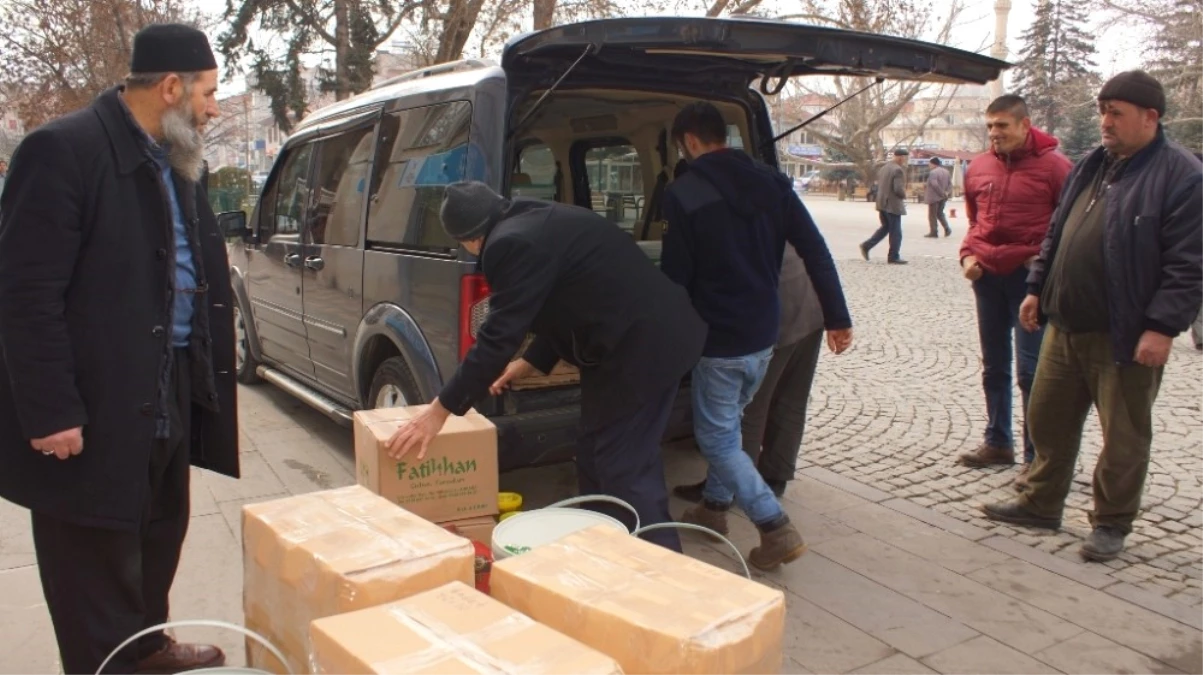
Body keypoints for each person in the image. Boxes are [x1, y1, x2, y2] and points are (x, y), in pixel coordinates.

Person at [0, 24, 238, 674]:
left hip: (165, 396)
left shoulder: (175, 159)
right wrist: (50, 410)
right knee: (93, 567)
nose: (215, 107)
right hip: (92, 408)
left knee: (155, 542)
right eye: (210, 93)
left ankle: (147, 646)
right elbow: (24, 296)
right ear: (170, 87)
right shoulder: (63, 151)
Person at [386, 181, 706, 554]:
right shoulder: (537, 218)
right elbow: (565, 299)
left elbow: (497, 338)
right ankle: (606, 548)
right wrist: (529, 362)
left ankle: (666, 570)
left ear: (469, 239)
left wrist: (440, 410)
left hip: (644, 348)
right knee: (591, 451)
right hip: (631, 343)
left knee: (624, 465)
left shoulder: (509, 244)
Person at [981, 71, 1203, 562]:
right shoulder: (1092, 165)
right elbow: (1057, 232)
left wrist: (1163, 327)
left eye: (1115, 113)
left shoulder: (1182, 175)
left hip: (1125, 334)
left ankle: (1111, 522)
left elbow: (1190, 264)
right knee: (1048, 418)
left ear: (1151, 118)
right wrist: (1037, 287)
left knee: (1123, 436)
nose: (1105, 121)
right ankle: (1040, 502)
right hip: (1064, 322)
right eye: (1102, 110)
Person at [660, 101, 853, 571]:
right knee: (734, 419)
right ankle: (714, 509)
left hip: (720, 336)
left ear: (688, 142)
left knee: (717, 436)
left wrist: (662, 334)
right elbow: (815, 250)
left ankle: (774, 527)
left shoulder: (684, 193)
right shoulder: (772, 182)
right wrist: (837, 316)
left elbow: (676, 278)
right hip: (766, 329)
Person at [957, 95, 1073, 488]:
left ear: (1025, 125)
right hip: (987, 278)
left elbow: (1068, 229)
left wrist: (1042, 273)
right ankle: (997, 441)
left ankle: (1035, 457)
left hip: (1030, 281)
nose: (994, 134)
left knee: (1031, 371)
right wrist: (967, 255)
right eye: (990, 126)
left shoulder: (1056, 167)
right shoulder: (979, 166)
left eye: (1002, 126)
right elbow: (976, 222)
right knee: (994, 366)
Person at [673, 247, 837, 502]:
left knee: (748, 406)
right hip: (810, 303)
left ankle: (734, 486)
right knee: (790, 397)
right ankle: (775, 474)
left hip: (774, 312)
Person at [860, 148, 909, 264]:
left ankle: (866, 246)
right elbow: (898, 189)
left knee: (885, 228)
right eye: (905, 158)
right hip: (892, 205)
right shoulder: (898, 170)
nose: (905, 161)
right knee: (896, 232)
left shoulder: (884, 168)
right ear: (900, 157)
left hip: (882, 203)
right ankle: (893, 256)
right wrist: (904, 195)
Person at [924, 157, 952, 238]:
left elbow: (934, 184)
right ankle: (947, 228)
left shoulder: (933, 172)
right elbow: (950, 184)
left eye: (929, 164)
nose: (929, 165)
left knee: (932, 215)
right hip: (943, 197)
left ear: (933, 164)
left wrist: (941, 193)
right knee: (940, 213)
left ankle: (934, 232)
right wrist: (946, 193)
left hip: (934, 197)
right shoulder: (946, 172)